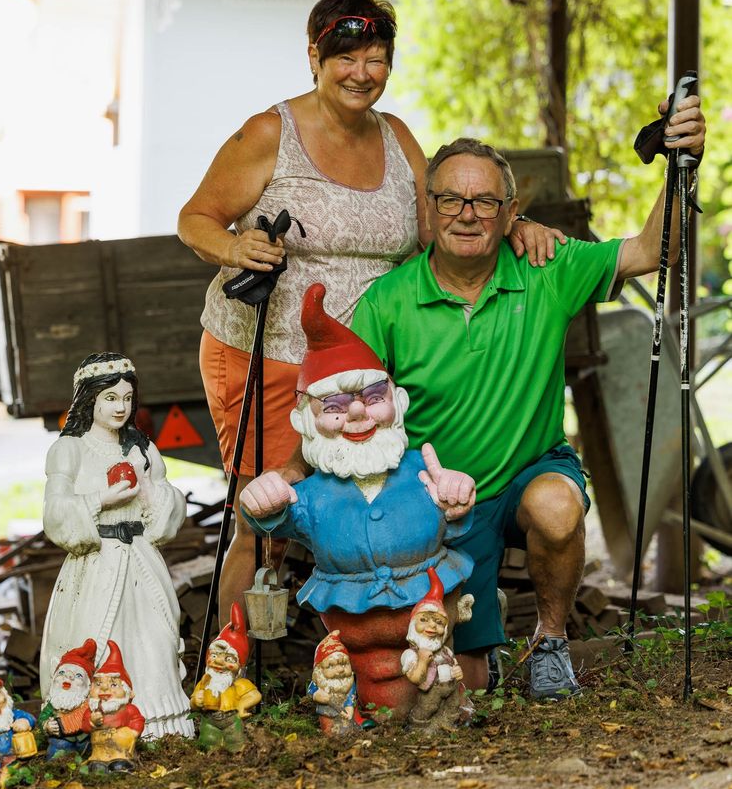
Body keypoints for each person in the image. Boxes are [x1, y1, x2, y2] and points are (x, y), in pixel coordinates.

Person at [178, 0, 561, 625]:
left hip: (364, 368)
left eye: (376, 59)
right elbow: (195, 219)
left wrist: (513, 224)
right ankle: (233, 656)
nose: (362, 73)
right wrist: (235, 246)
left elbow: (444, 220)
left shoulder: (396, 136)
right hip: (269, 353)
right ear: (314, 57)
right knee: (265, 512)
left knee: (363, 505)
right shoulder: (271, 133)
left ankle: (360, 642)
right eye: (346, 58)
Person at [347, 96, 706, 699]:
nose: (467, 215)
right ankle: (479, 643)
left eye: (485, 201)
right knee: (465, 684)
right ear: (429, 209)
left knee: (558, 508)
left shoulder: (548, 268)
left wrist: (680, 167)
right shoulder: (387, 301)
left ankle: (551, 643)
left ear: (510, 212)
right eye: (451, 200)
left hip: (528, 473)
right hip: (437, 500)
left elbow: (654, 251)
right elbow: (356, 416)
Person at [240, 283, 475, 718]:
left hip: (427, 627)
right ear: (306, 421)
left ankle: (434, 713)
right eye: (335, 406)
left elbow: (455, 520)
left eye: (373, 398)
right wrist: (259, 501)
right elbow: (271, 519)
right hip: (355, 639)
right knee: (370, 694)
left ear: (397, 402)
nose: (357, 414)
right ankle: (367, 714)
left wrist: (456, 501)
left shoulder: (421, 473)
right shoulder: (312, 494)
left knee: (437, 684)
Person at [39, 352, 194, 738]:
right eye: (110, 398)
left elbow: (171, 509)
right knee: (96, 638)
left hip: (141, 560)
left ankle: (157, 724)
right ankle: (91, 725)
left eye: (127, 398)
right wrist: (101, 500)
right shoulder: (70, 450)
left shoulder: (142, 449)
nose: (120, 407)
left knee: (154, 639)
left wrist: (149, 491)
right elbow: (54, 513)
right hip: (96, 563)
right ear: (89, 399)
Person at [401, 567, 474, 731]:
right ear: (413, 624)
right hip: (431, 690)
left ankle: (447, 724)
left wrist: (458, 672)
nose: (432, 626)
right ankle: (418, 728)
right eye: (424, 620)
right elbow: (415, 679)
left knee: (453, 706)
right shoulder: (411, 654)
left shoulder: (445, 651)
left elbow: (454, 664)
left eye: (439, 622)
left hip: (450, 687)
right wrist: (422, 661)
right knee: (427, 708)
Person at [190, 602, 262, 752]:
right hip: (209, 720)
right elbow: (193, 702)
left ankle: (237, 756)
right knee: (208, 741)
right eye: (214, 655)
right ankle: (209, 757)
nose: (219, 662)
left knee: (235, 741)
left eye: (228, 659)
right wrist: (196, 701)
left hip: (231, 720)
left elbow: (255, 695)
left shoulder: (238, 684)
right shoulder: (205, 682)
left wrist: (242, 705)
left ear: (238, 666)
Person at [82, 640, 145, 773]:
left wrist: (132, 733)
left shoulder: (129, 709)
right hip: (99, 750)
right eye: (98, 684)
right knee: (96, 767)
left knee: (119, 765)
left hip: (121, 750)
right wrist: (92, 722)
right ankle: (98, 764)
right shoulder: (92, 711)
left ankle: (120, 764)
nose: (104, 688)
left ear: (128, 692)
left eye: (114, 685)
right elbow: (85, 725)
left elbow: (138, 720)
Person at [39, 638, 98, 759]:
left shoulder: (88, 704)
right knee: (56, 752)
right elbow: (42, 717)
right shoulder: (52, 704)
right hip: (60, 740)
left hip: (85, 740)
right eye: (62, 673)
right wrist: (46, 725)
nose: (68, 677)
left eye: (78, 675)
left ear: (88, 685)